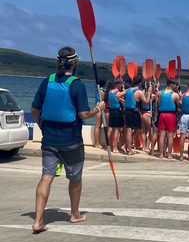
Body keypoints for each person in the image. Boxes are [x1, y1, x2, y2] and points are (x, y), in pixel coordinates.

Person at [30, 47, 105, 232]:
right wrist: (99, 108)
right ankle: (74, 215)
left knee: (46, 177)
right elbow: (83, 114)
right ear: (74, 63)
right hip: (71, 142)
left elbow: (34, 109)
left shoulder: (47, 81)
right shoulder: (77, 84)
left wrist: (41, 126)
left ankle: (38, 221)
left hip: (49, 140)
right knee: (75, 178)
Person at [116, 75, 152, 156]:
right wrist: (149, 92)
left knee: (129, 130)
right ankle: (127, 147)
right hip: (134, 112)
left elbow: (117, 95)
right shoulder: (139, 92)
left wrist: (123, 101)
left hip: (127, 111)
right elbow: (146, 102)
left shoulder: (128, 90)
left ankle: (127, 148)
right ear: (139, 83)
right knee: (138, 130)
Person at [156, 79, 180, 159]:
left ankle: (161, 154)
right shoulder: (175, 95)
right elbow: (180, 105)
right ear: (172, 85)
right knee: (170, 136)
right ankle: (169, 154)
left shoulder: (160, 93)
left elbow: (158, 104)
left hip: (162, 114)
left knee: (162, 135)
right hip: (171, 115)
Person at [108, 78, 124, 153]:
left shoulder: (110, 92)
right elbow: (123, 103)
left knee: (113, 129)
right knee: (116, 130)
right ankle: (115, 147)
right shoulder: (118, 93)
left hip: (111, 111)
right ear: (118, 84)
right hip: (117, 111)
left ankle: (111, 145)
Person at [93, 78, 108, 148]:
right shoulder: (101, 91)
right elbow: (102, 101)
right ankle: (97, 143)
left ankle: (97, 143)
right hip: (100, 109)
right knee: (98, 126)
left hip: (97, 108)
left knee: (98, 126)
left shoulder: (98, 90)